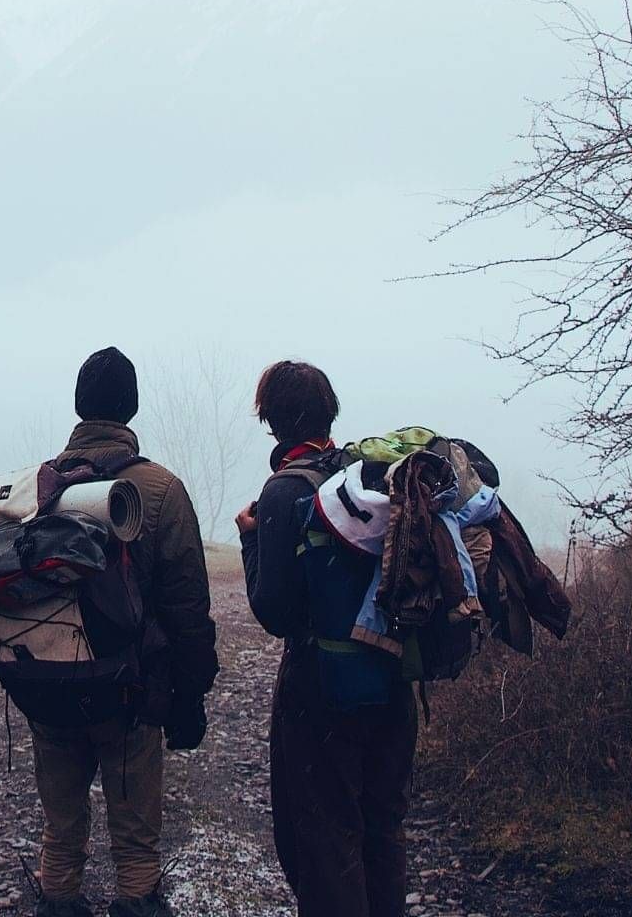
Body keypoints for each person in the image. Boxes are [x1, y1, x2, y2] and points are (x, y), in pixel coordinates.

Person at [30, 347, 218, 917]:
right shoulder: (160, 490)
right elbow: (188, 607)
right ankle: (136, 904)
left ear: (79, 406)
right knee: (136, 842)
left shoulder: (38, 488)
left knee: (61, 833)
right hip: (129, 696)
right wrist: (190, 694)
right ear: (131, 409)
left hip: (49, 688)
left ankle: (58, 903)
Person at [235, 360, 413, 917]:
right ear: (328, 412)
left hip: (320, 691)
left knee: (324, 841)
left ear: (272, 422)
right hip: (391, 677)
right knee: (381, 829)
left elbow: (275, 612)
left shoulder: (283, 490)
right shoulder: (367, 476)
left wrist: (250, 541)